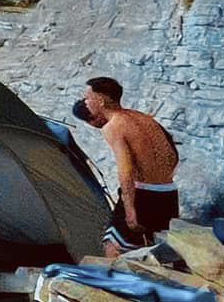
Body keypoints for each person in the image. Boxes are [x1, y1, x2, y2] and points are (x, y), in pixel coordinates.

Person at [77, 75, 179, 255]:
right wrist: (160, 175)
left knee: (113, 249)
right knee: (152, 249)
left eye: (88, 97)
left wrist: (130, 209)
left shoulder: (114, 126)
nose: (85, 102)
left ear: (100, 100)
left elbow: (126, 172)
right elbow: (172, 152)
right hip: (168, 193)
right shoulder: (144, 118)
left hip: (144, 195)